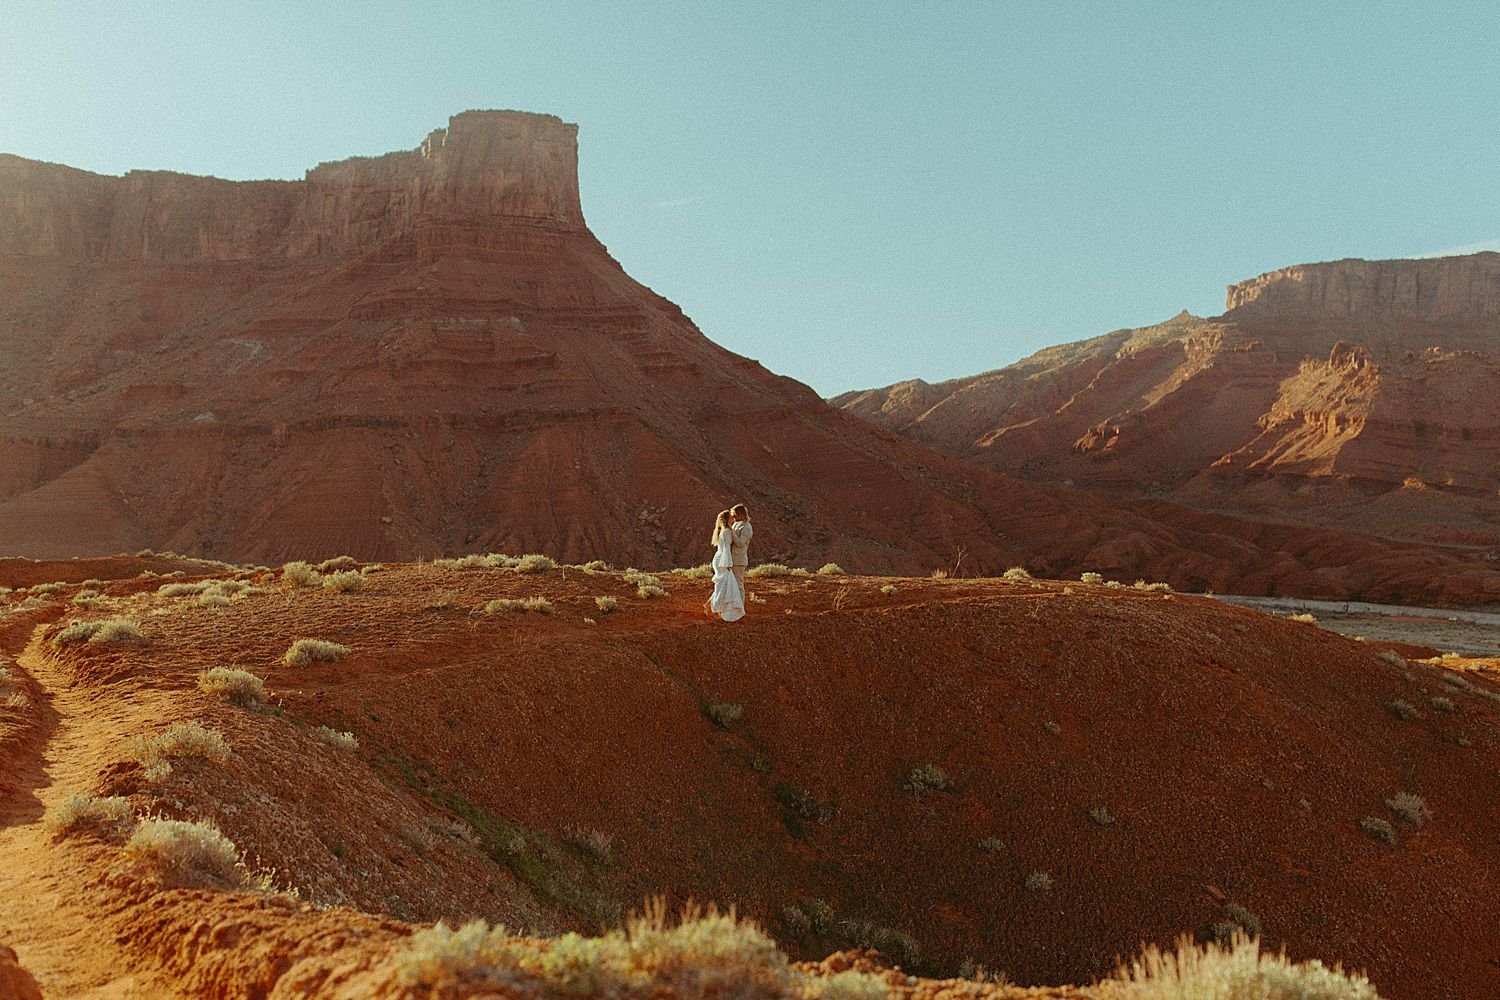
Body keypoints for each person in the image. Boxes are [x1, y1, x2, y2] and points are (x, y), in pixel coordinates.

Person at [705, 509, 744, 622]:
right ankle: (713, 609)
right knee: (722, 587)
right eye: (731, 517)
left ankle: (712, 607)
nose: (733, 518)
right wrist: (728, 564)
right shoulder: (726, 531)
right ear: (727, 519)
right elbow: (726, 549)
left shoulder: (725, 530)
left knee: (722, 586)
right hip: (723, 561)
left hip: (720, 559)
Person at [728, 503, 753, 598]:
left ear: (740, 514)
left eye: (735, 514)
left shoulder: (746, 527)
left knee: (738, 585)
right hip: (731, 559)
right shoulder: (736, 524)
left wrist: (732, 531)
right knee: (731, 585)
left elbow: (740, 543)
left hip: (738, 560)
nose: (733, 516)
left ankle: (740, 608)